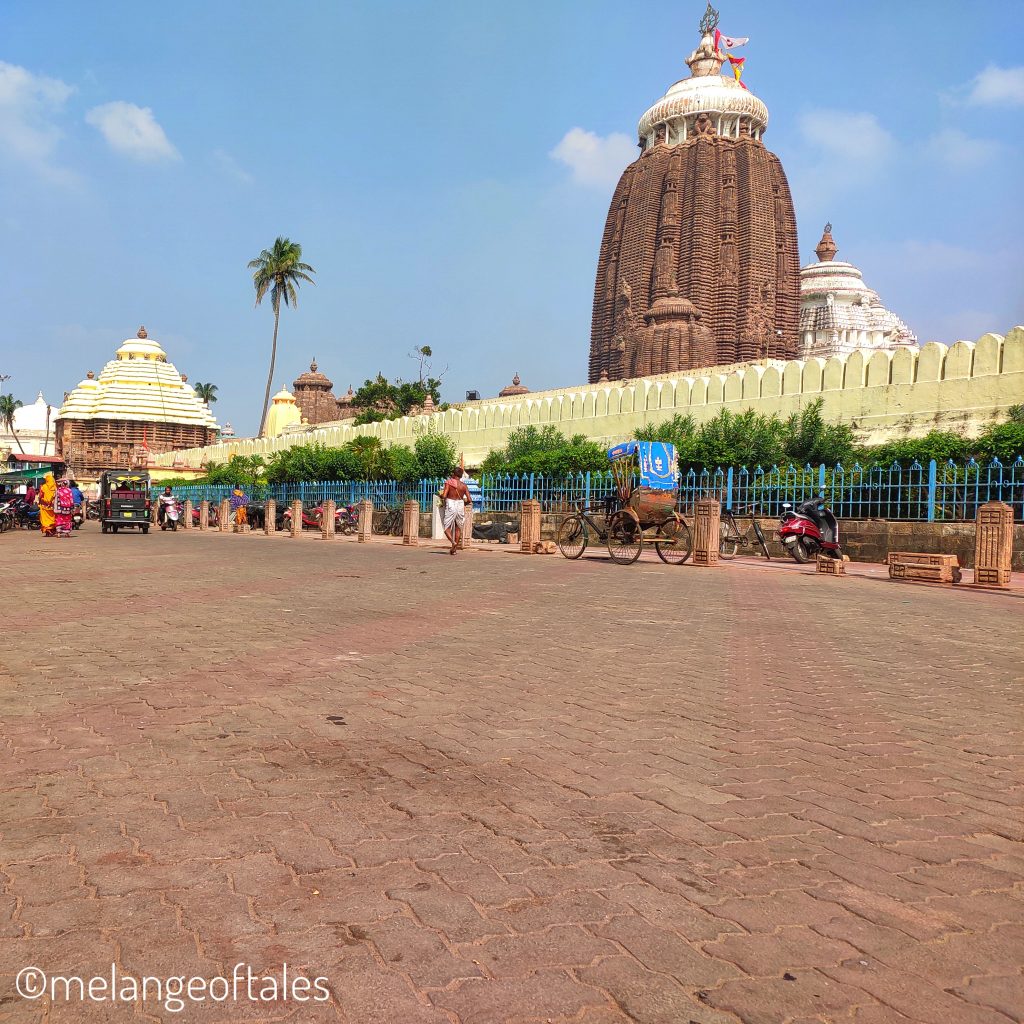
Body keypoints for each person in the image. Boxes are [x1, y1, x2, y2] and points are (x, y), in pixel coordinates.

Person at [441, 466, 471, 555]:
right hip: (460, 504)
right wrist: (463, 503)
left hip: (451, 503)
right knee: (458, 527)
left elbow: (445, 495)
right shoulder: (464, 486)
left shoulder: (449, 483)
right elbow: (469, 499)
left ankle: (453, 542)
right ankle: (454, 550)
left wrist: (440, 496)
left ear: (453, 474)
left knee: (446, 528)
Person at [37, 473, 57, 537]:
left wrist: (39, 501)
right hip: (52, 505)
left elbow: (40, 496)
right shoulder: (55, 487)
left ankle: (47, 531)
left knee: (44, 519)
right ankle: (51, 530)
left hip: (44, 505)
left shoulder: (44, 486)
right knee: (52, 518)